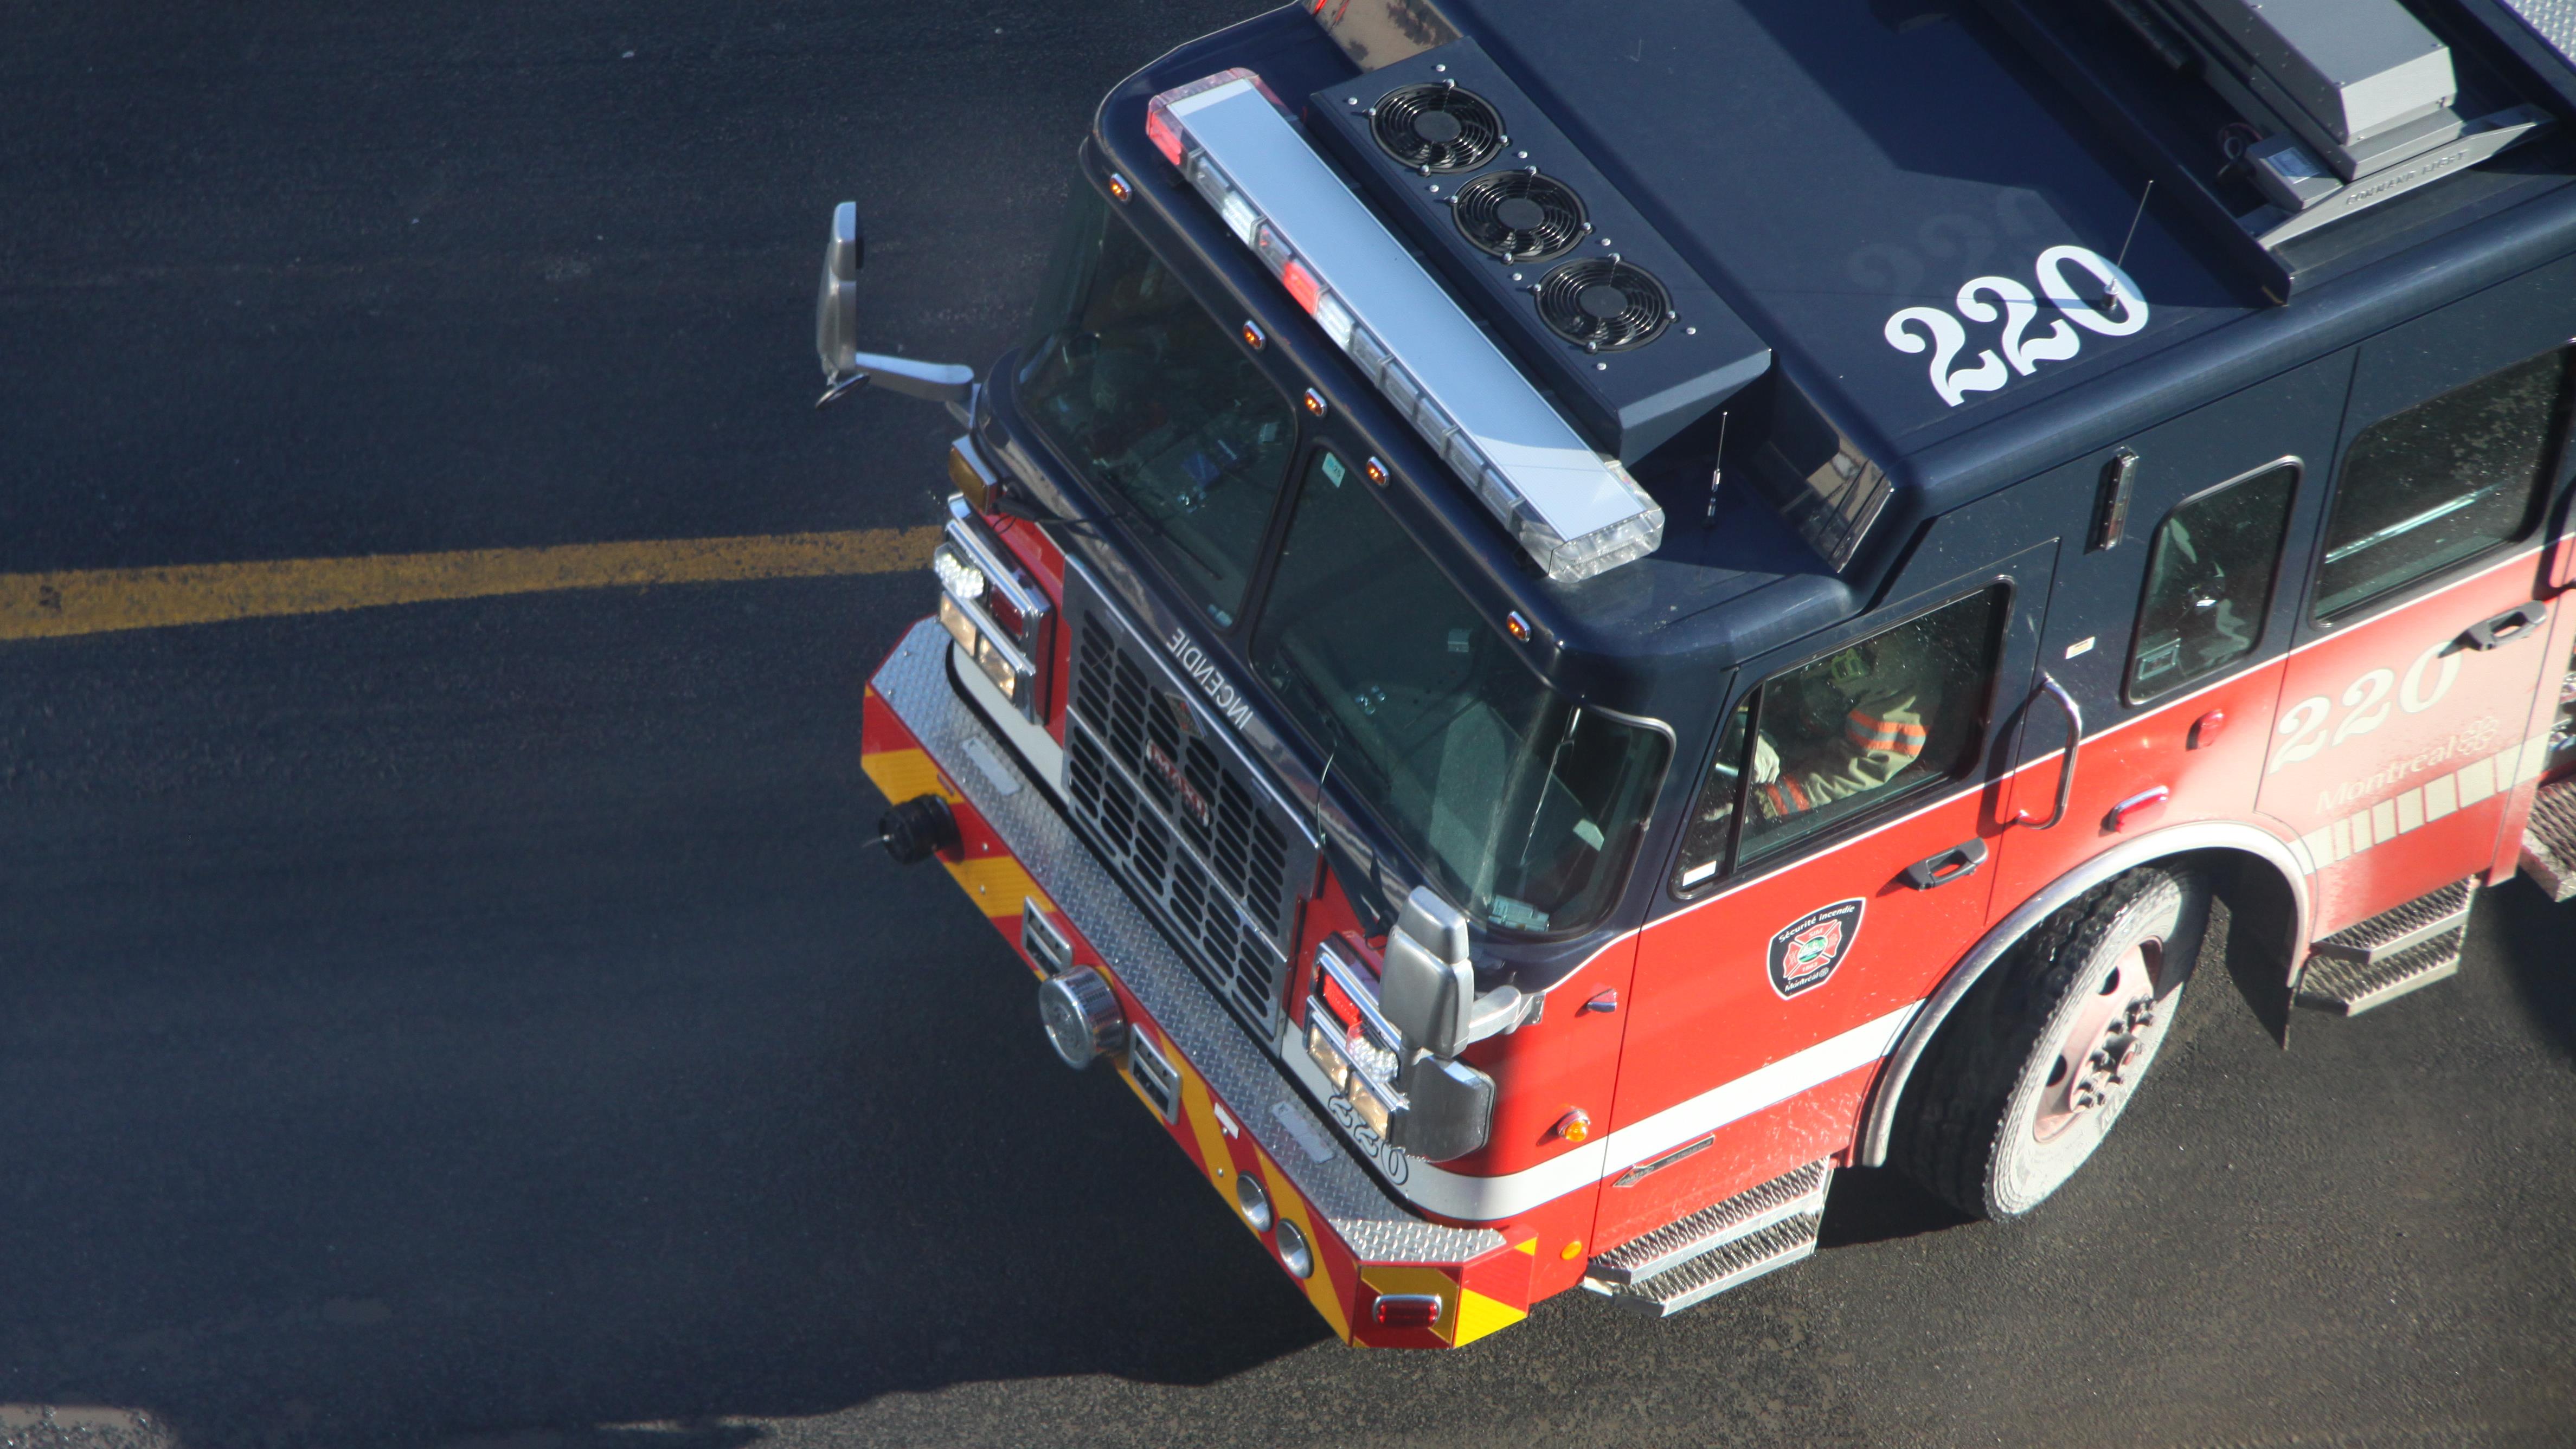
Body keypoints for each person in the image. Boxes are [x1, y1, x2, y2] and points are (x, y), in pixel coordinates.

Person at [1749, 639, 1933, 822]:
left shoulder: (1903, 666)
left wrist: (1758, 807)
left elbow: (1861, 766)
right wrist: (1746, 730)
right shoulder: (1821, 616)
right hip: (1755, 729)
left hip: (1791, 774)